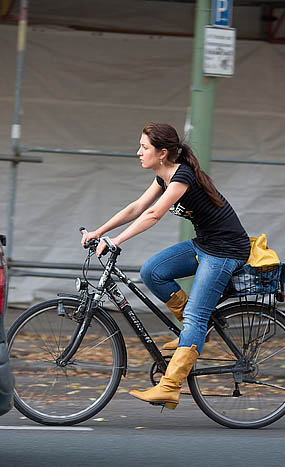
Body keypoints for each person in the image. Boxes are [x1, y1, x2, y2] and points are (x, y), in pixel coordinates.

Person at [81, 122, 251, 410]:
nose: (138, 152)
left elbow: (154, 214)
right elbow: (136, 207)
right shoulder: (163, 176)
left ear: (162, 153)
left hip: (226, 250)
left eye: (144, 148)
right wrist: (100, 231)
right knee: (153, 271)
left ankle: (170, 387)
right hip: (205, 243)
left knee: (197, 315)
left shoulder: (182, 175)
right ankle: (193, 333)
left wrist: (117, 240)